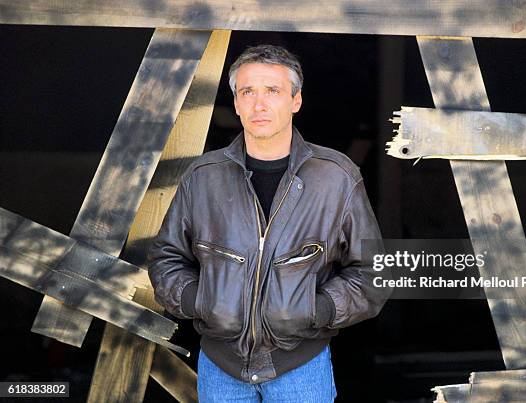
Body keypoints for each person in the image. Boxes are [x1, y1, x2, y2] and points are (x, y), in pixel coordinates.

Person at [147, 44, 389, 402]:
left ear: (296, 100)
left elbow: (373, 272)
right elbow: (166, 258)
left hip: (301, 367)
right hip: (220, 366)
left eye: (272, 91)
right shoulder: (202, 176)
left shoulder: (336, 178)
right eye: (247, 92)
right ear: (237, 103)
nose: (259, 104)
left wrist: (316, 309)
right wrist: (200, 301)